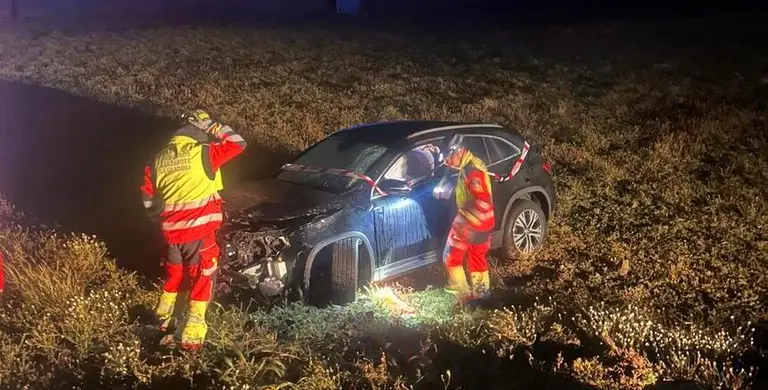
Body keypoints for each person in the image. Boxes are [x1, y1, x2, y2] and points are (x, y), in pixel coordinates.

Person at [140, 109, 247, 351]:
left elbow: (148, 201)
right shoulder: (203, 153)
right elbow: (239, 143)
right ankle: (191, 336)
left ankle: (161, 321)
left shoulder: (157, 160)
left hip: (169, 236)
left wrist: (161, 218)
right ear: (199, 131)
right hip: (199, 235)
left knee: (174, 277)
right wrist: (213, 126)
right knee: (203, 277)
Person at [433, 137, 495, 307]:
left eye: (448, 156)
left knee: (450, 258)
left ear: (459, 151)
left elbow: (481, 199)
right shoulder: (473, 164)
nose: (447, 161)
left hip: (470, 223)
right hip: (485, 224)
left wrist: (466, 224)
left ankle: (463, 296)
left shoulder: (471, 171)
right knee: (477, 261)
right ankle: (481, 300)